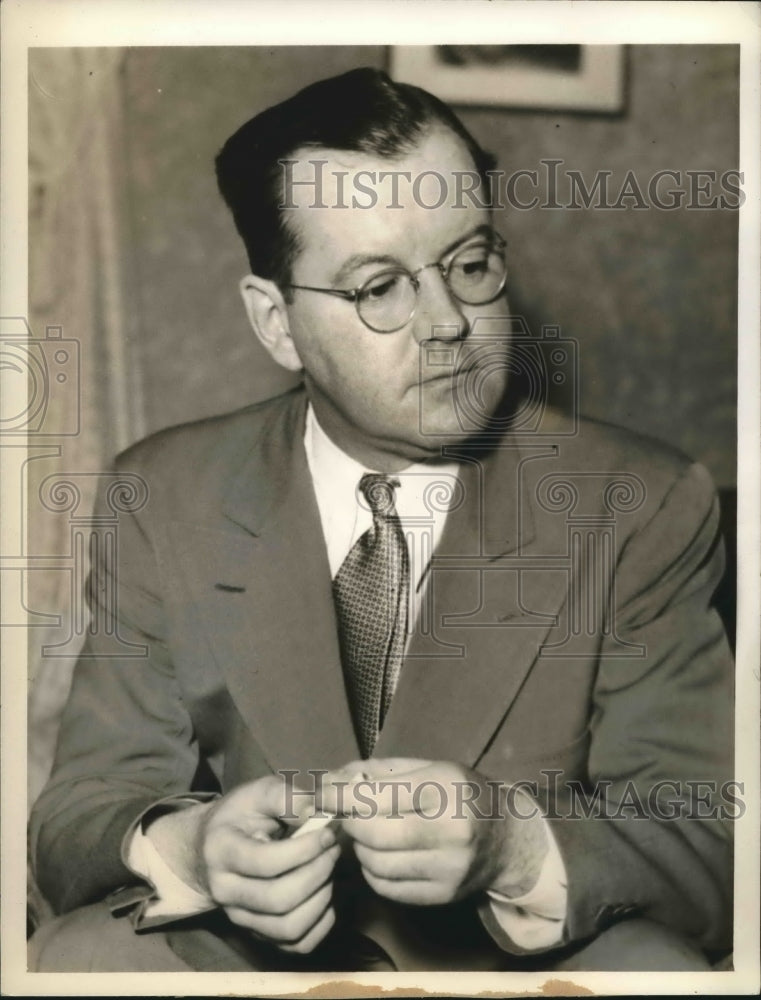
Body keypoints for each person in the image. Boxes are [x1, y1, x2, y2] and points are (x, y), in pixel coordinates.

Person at [29, 67, 734, 973]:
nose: (447, 322)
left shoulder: (636, 503)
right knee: (81, 958)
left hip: (521, 970)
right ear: (276, 324)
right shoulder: (164, 494)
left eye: (470, 264)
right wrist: (193, 847)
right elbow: (80, 811)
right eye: (378, 288)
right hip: (257, 961)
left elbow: (712, 835)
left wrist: (516, 847)